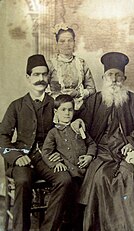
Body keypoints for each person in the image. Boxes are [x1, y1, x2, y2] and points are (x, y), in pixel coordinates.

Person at [77, 52, 134, 231]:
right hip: (101, 151)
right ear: (103, 77)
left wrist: (132, 142)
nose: (114, 79)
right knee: (101, 178)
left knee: (130, 176)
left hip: (127, 152)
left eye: (118, 75)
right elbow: (83, 128)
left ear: (124, 78)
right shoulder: (93, 101)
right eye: (110, 75)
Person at [0, 54, 73, 231]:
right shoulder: (16, 105)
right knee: (23, 181)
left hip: (46, 158)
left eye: (44, 74)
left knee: (65, 180)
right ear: (28, 77)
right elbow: (2, 136)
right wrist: (16, 157)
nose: (41, 79)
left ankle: (48, 228)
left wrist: (76, 123)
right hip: (22, 158)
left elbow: (66, 124)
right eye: (36, 74)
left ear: (48, 77)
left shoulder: (55, 103)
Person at [41, 94, 97, 231]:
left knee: (82, 206)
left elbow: (92, 144)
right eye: (63, 110)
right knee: (71, 204)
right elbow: (46, 152)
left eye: (70, 110)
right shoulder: (54, 133)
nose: (67, 113)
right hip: (71, 175)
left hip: (85, 173)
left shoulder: (78, 128)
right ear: (56, 112)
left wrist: (89, 156)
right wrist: (56, 164)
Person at [48, 23, 96, 109]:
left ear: (74, 42)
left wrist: (78, 93)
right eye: (62, 41)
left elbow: (92, 90)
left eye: (70, 40)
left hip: (79, 108)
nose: (67, 44)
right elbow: (44, 90)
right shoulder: (50, 64)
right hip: (56, 109)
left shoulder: (81, 63)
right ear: (57, 43)